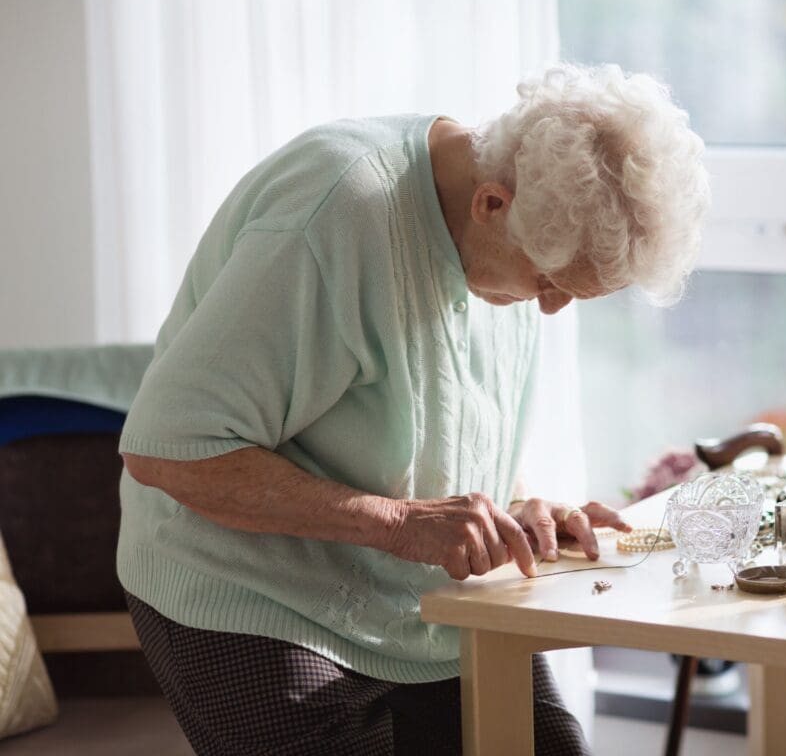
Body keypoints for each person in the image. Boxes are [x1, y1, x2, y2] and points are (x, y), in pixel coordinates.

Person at [118, 62, 709, 756]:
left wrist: (517, 509)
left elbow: (435, 412)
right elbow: (169, 449)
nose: (550, 307)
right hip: (253, 594)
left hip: (420, 602)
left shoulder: (521, 223)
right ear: (492, 202)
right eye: (549, 283)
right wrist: (401, 523)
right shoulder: (332, 213)